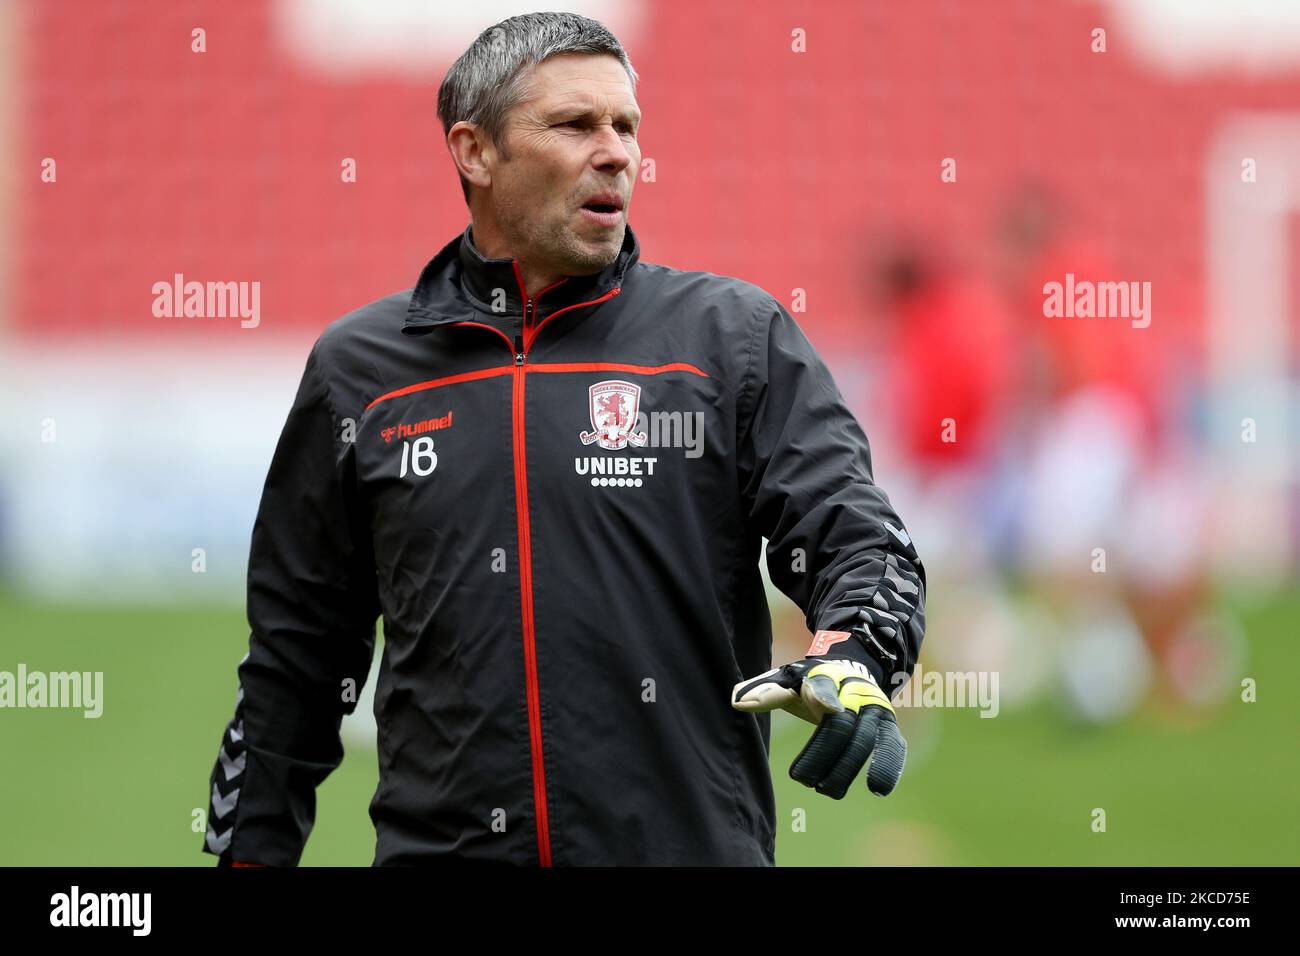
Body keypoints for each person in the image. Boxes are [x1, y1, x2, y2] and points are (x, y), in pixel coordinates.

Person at [202, 11, 926, 867]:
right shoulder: (360, 371)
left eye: (627, 126)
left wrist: (852, 648)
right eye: (577, 124)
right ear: (474, 152)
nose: (616, 150)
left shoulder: (731, 340)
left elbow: (858, 536)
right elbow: (296, 659)